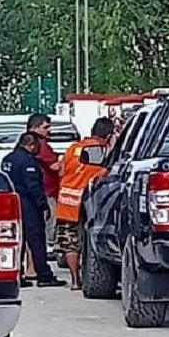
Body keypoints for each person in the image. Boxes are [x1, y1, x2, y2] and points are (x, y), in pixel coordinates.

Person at [55, 117, 115, 290]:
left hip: (66, 201)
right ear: (109, 136)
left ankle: (75, 281)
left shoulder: (74, 148)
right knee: (88, 242)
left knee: (70, 243)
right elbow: (103, 173)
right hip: (87, 201)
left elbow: (62, 171)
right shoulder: (101, 151)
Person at [2, 133, 66, 288]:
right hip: (28, 204)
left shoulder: (8, 159)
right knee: (36, 240)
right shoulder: (28, 162)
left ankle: (16, 275)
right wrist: (43, 206)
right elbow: (34, 187)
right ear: (30, 144)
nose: (39, 149)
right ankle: (44, 275)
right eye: (37, 145)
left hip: (11, 204)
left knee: (17, 242)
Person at [27, 114, 61, 251]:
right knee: (50, 220)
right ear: (34, 128)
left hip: (43, 190)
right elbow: (55, 166)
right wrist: (70, 160)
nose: (49, 130)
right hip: (47, 191)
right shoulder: (41, 145)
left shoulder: (34, 145)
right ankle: (49, 245)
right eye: (45, 127)